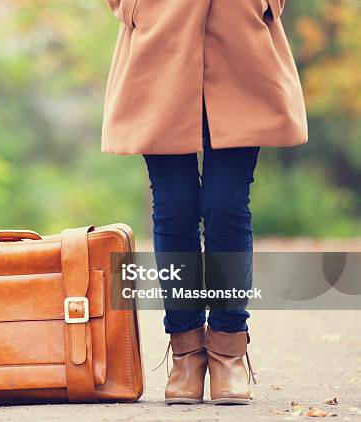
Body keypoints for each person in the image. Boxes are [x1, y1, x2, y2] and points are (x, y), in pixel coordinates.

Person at [101, 0, 307, 405]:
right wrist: (135, 7)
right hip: (160, 46)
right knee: (174, 206)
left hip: (240, 46)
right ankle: (186, 353)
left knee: (225, 203)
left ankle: (229, 349)